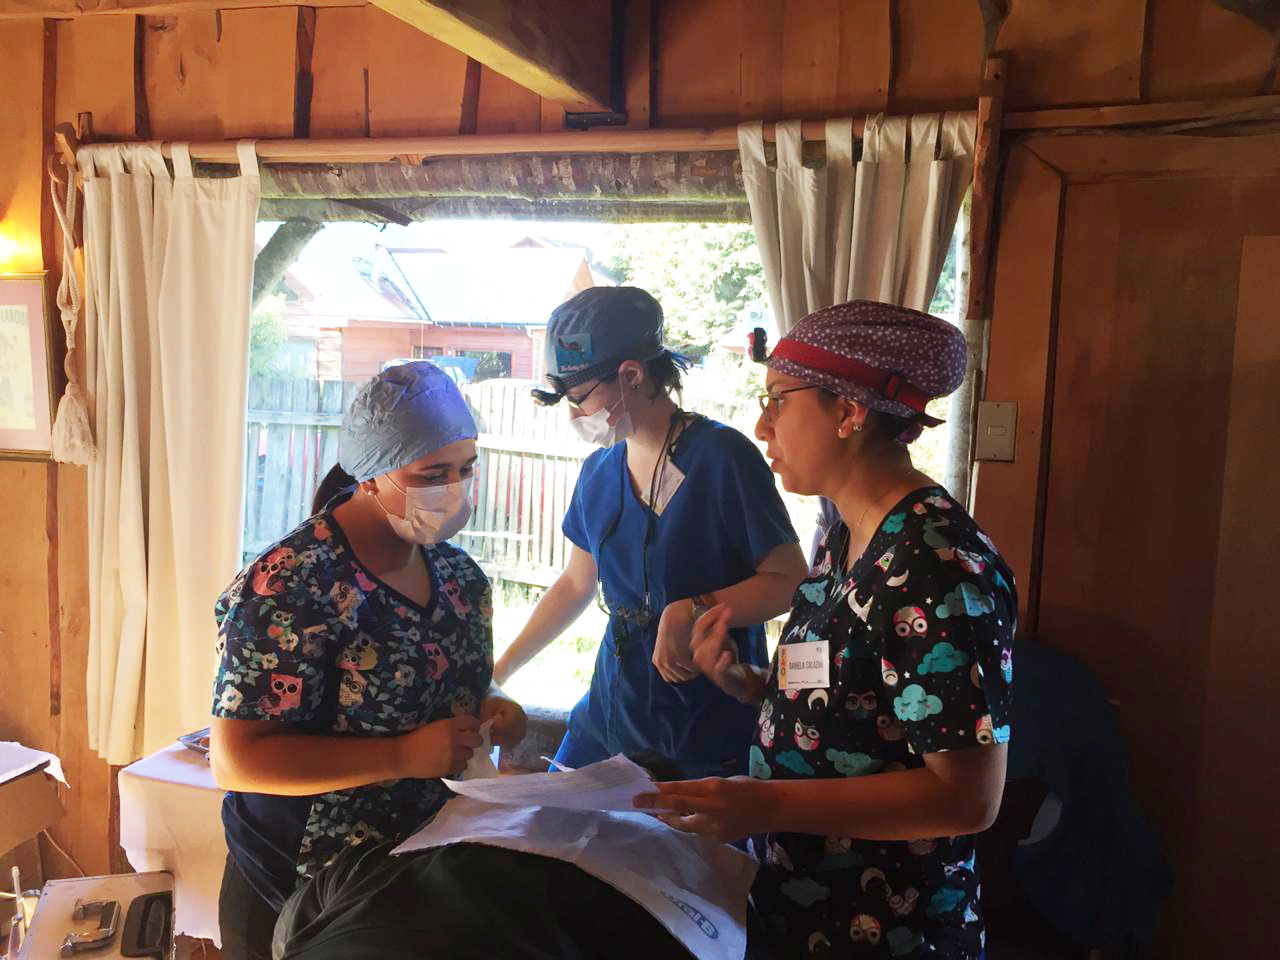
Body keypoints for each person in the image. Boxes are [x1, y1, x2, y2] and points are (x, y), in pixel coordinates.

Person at [635, 300, 1018, 959]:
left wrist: (765, 805)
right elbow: (865, 702)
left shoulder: (936, 564)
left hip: (889, 927)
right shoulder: (846, 536)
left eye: (777, 401)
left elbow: (967, 798)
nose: (762, 426)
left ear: (848, 412)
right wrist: (752, 683)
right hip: (802, 903)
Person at [209, 361, 527, 960]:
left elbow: (448, 675)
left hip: (417, 879)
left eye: (465, 469)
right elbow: (236, 761)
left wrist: (495, 705)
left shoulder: (458, 577)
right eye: (432, 474)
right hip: (301, 891)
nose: (455, 490)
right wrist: (401, 756)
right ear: (373, 473)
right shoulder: (291, 585)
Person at [493, 287, 808, 779]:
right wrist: (499, 673)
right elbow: (576, 584)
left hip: (705, 716)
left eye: (578, 399)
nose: (574, 417)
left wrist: (694, 608)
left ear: (632, 375)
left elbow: (789, 581)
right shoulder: (599, 472)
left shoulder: (722, 458)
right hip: (611, 709)